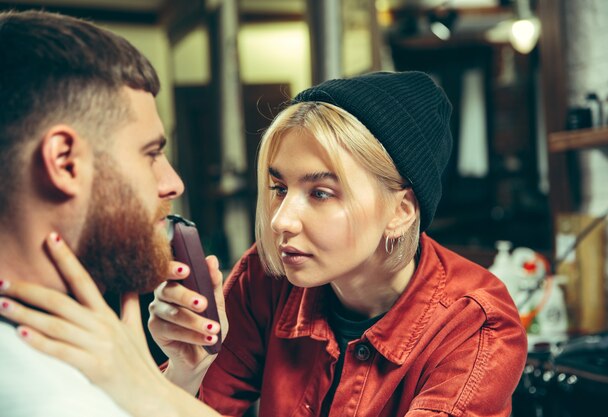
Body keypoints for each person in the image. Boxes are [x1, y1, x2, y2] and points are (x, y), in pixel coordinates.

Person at [2, 69, 528, 415]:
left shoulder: (476, 324)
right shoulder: (267, 276)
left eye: (320, 192)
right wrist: (185, 370)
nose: (281, 220)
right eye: (278, 187)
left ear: (401, 210)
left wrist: (136, 382)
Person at [0, 10, 224, 417]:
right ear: (65, 161)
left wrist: (170, 380)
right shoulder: (51, 400)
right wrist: (156, 398)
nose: (173, 182)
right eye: (152, 153)